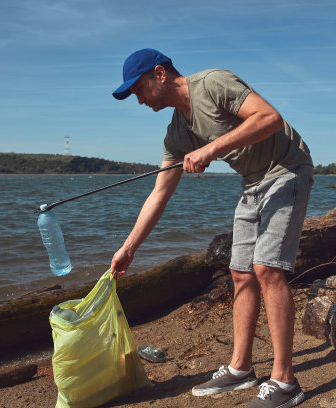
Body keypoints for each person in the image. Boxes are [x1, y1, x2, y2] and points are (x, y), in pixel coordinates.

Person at [111, 48, 314, 408]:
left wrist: (211, 150)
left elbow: (269, 117)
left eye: (138, 89)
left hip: (287, 169)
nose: (138, 100)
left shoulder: (213, 83)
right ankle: (241, 368)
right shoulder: (178, 132)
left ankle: (285, 382)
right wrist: (128, 248)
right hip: (253, 182)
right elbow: (160, 193)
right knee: (240, 273)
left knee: (267, 269)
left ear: (160, 74)